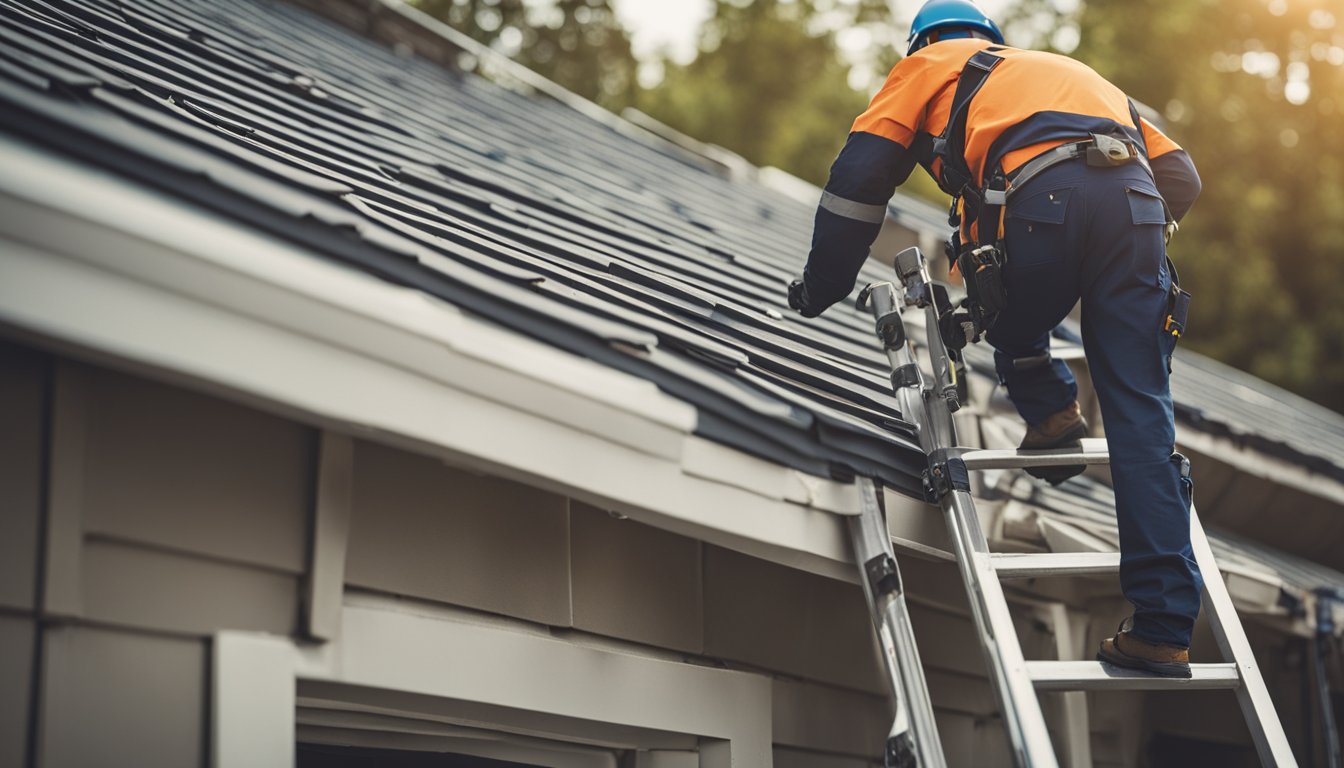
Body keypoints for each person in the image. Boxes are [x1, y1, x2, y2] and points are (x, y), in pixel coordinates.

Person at [787, 0, 1204, 677]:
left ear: (921, 43)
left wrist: (821, 287)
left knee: (998, 295)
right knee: (1141, 416)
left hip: (1045, 206)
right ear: (995, 40)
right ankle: (1162, 628)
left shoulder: (924, 67)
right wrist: (1124, 240)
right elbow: (1183, 179)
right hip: (1137, 209)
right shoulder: (1070, 72)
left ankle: (1050, 409)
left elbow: (859, 181)